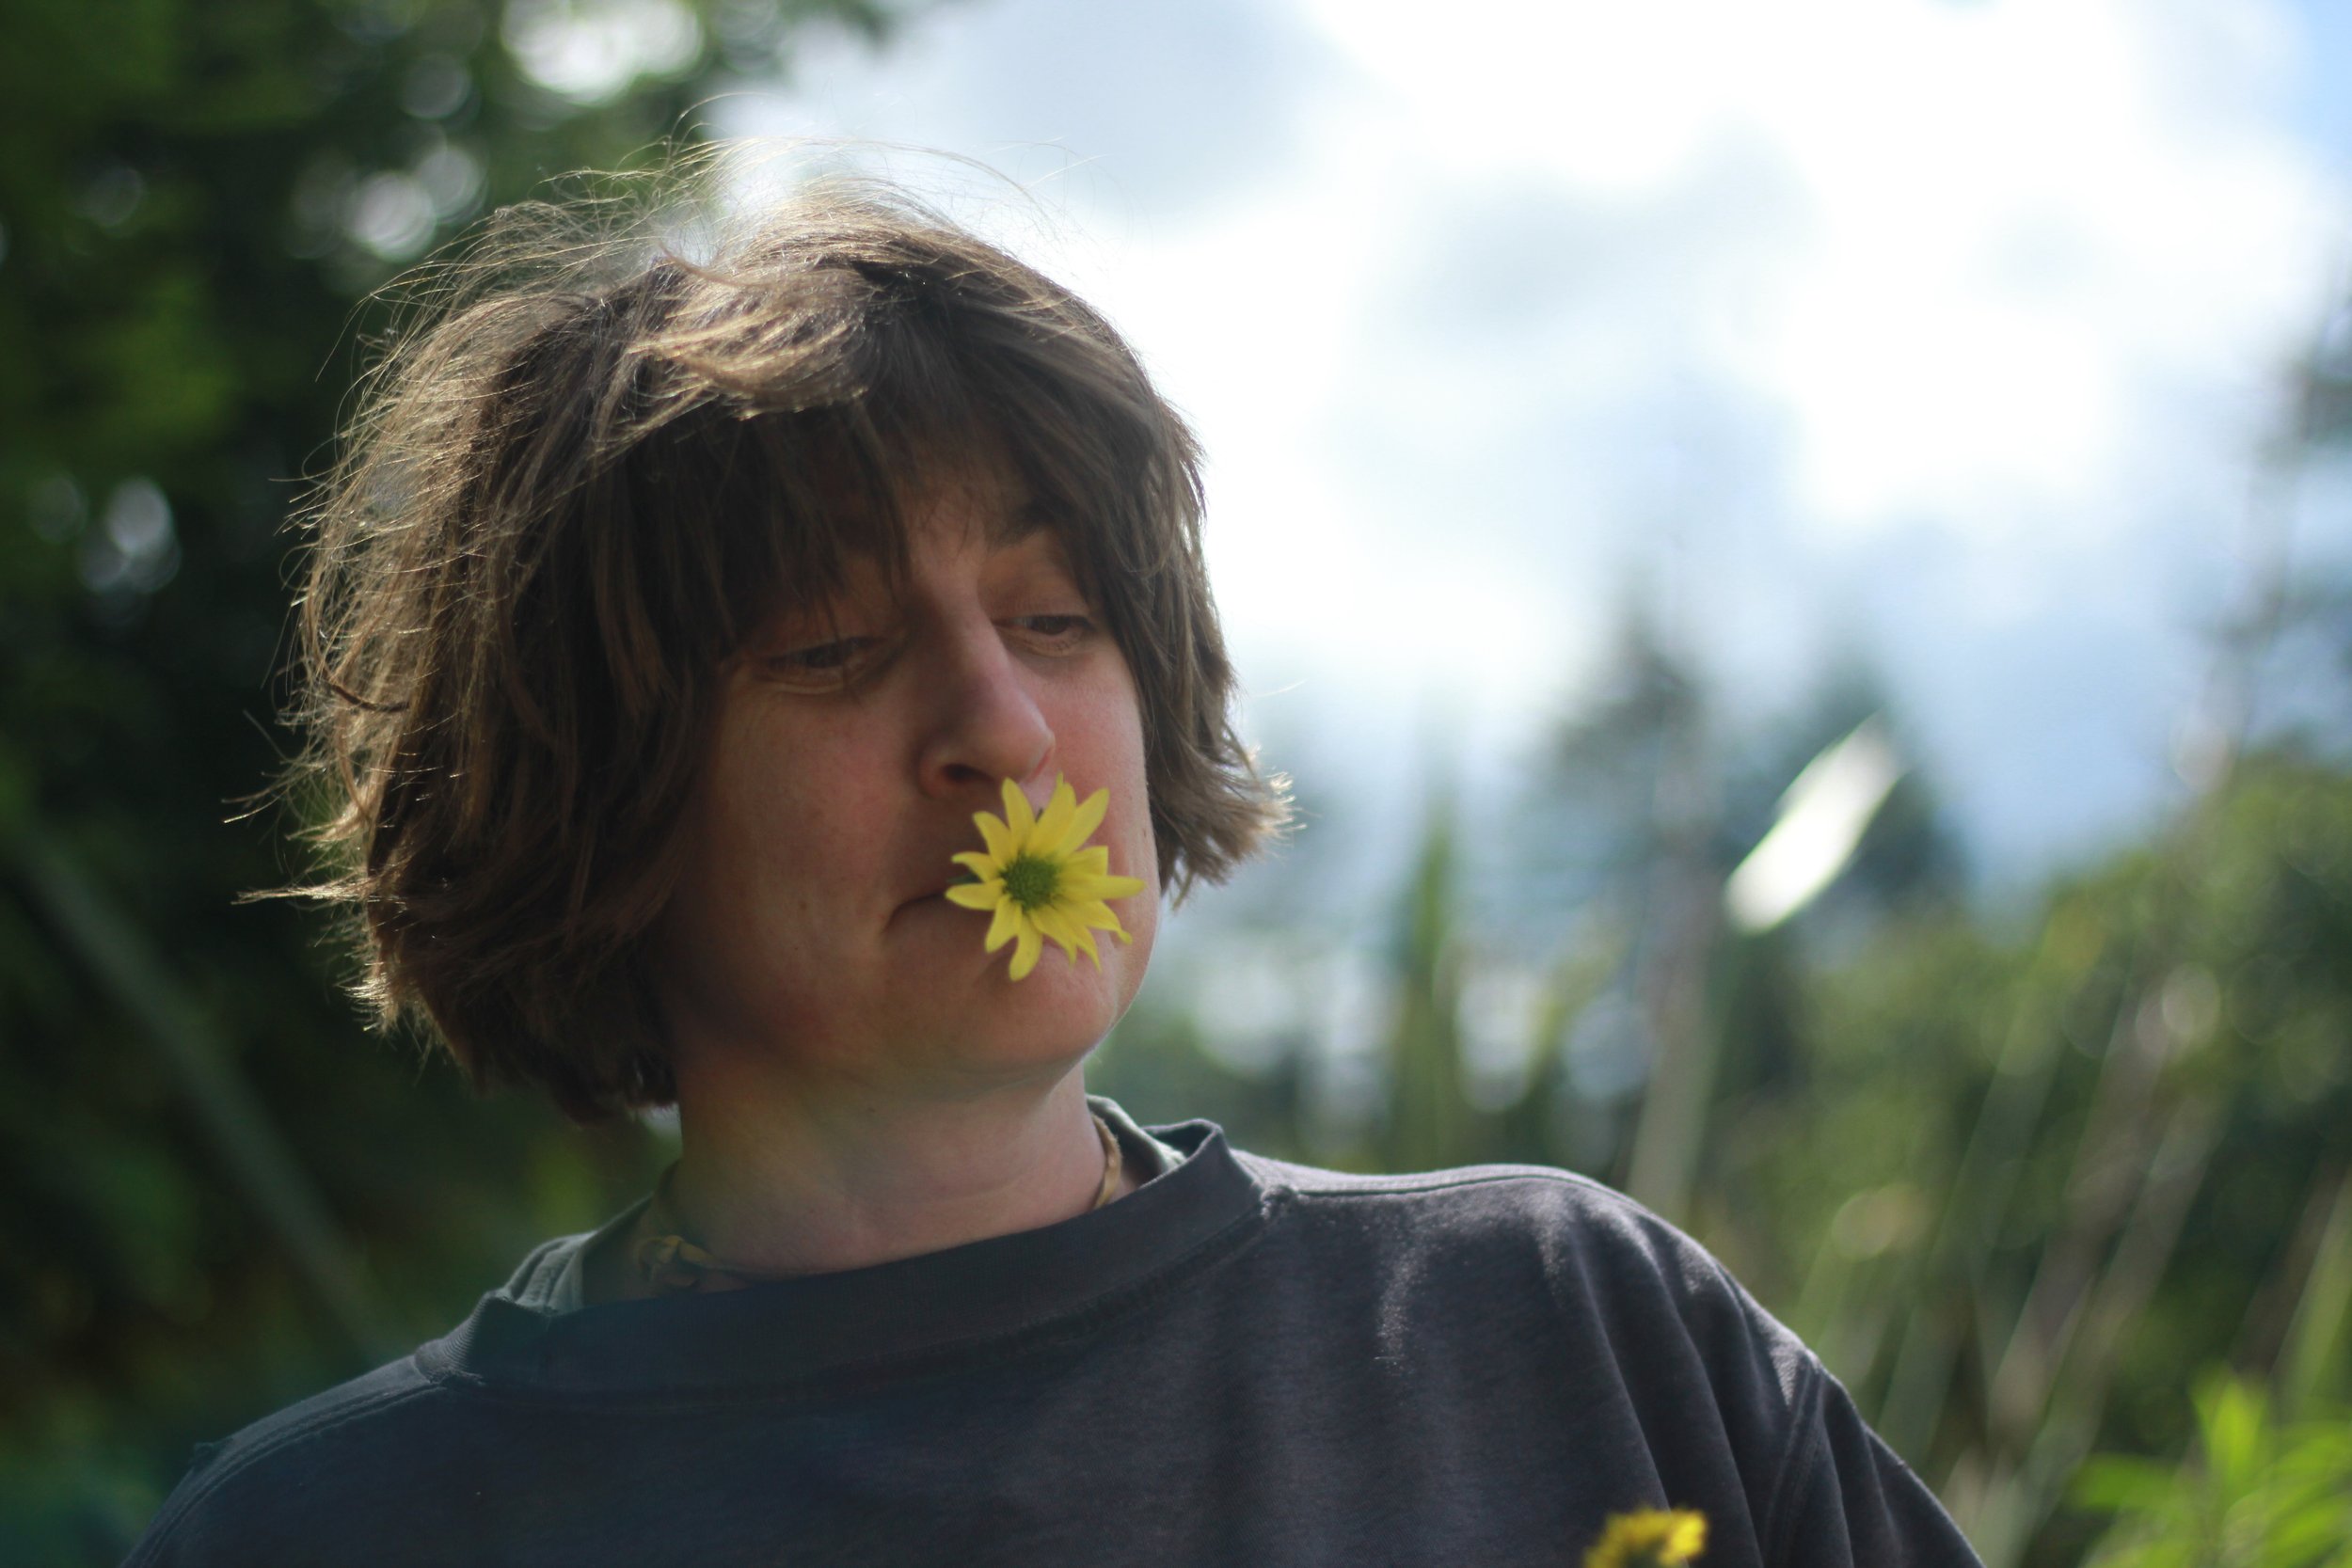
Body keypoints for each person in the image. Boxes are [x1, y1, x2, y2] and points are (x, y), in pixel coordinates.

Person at [126, 163, 1983, 1567]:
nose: (1002, 731)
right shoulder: (324, 1532)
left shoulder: (1571, 1330)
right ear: (596, 805)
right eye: (832, 650)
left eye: (1058, 615)